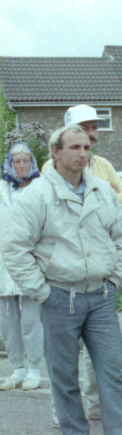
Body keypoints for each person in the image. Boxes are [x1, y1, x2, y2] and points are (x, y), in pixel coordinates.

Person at [3, 125, 122, 435]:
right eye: (75, 147)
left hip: (101, 295)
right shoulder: (36, 196)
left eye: (87, 147)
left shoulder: (102, 190)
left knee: (114, 368)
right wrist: (41, 292)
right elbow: (16, 248)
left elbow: (119, 238)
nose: (83, 154)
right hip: (59, 295)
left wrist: (115, 278)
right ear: (56, 153)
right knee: (63, 372)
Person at [42, 104, 122, 419]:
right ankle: (63, 411)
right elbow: (53, 211)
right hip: (65, 275)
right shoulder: (49, 167)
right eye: (85, 128)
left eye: (95, 128)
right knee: (65, 354)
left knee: (105, 351)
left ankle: (98, 405)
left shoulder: (104, 165)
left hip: (100, 270)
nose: (92, 135)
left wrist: (116, 276)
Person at [0, 143, 43, 391]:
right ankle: (17, 369)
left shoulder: (40, 187)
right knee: (7, 321)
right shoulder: (2, 190)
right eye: (17, 162)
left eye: (26, 161)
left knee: (31, 320)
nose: (22, 165)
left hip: (30, 260)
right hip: (4, 262)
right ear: (10, 164)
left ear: (32, 163)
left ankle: (34, 369)